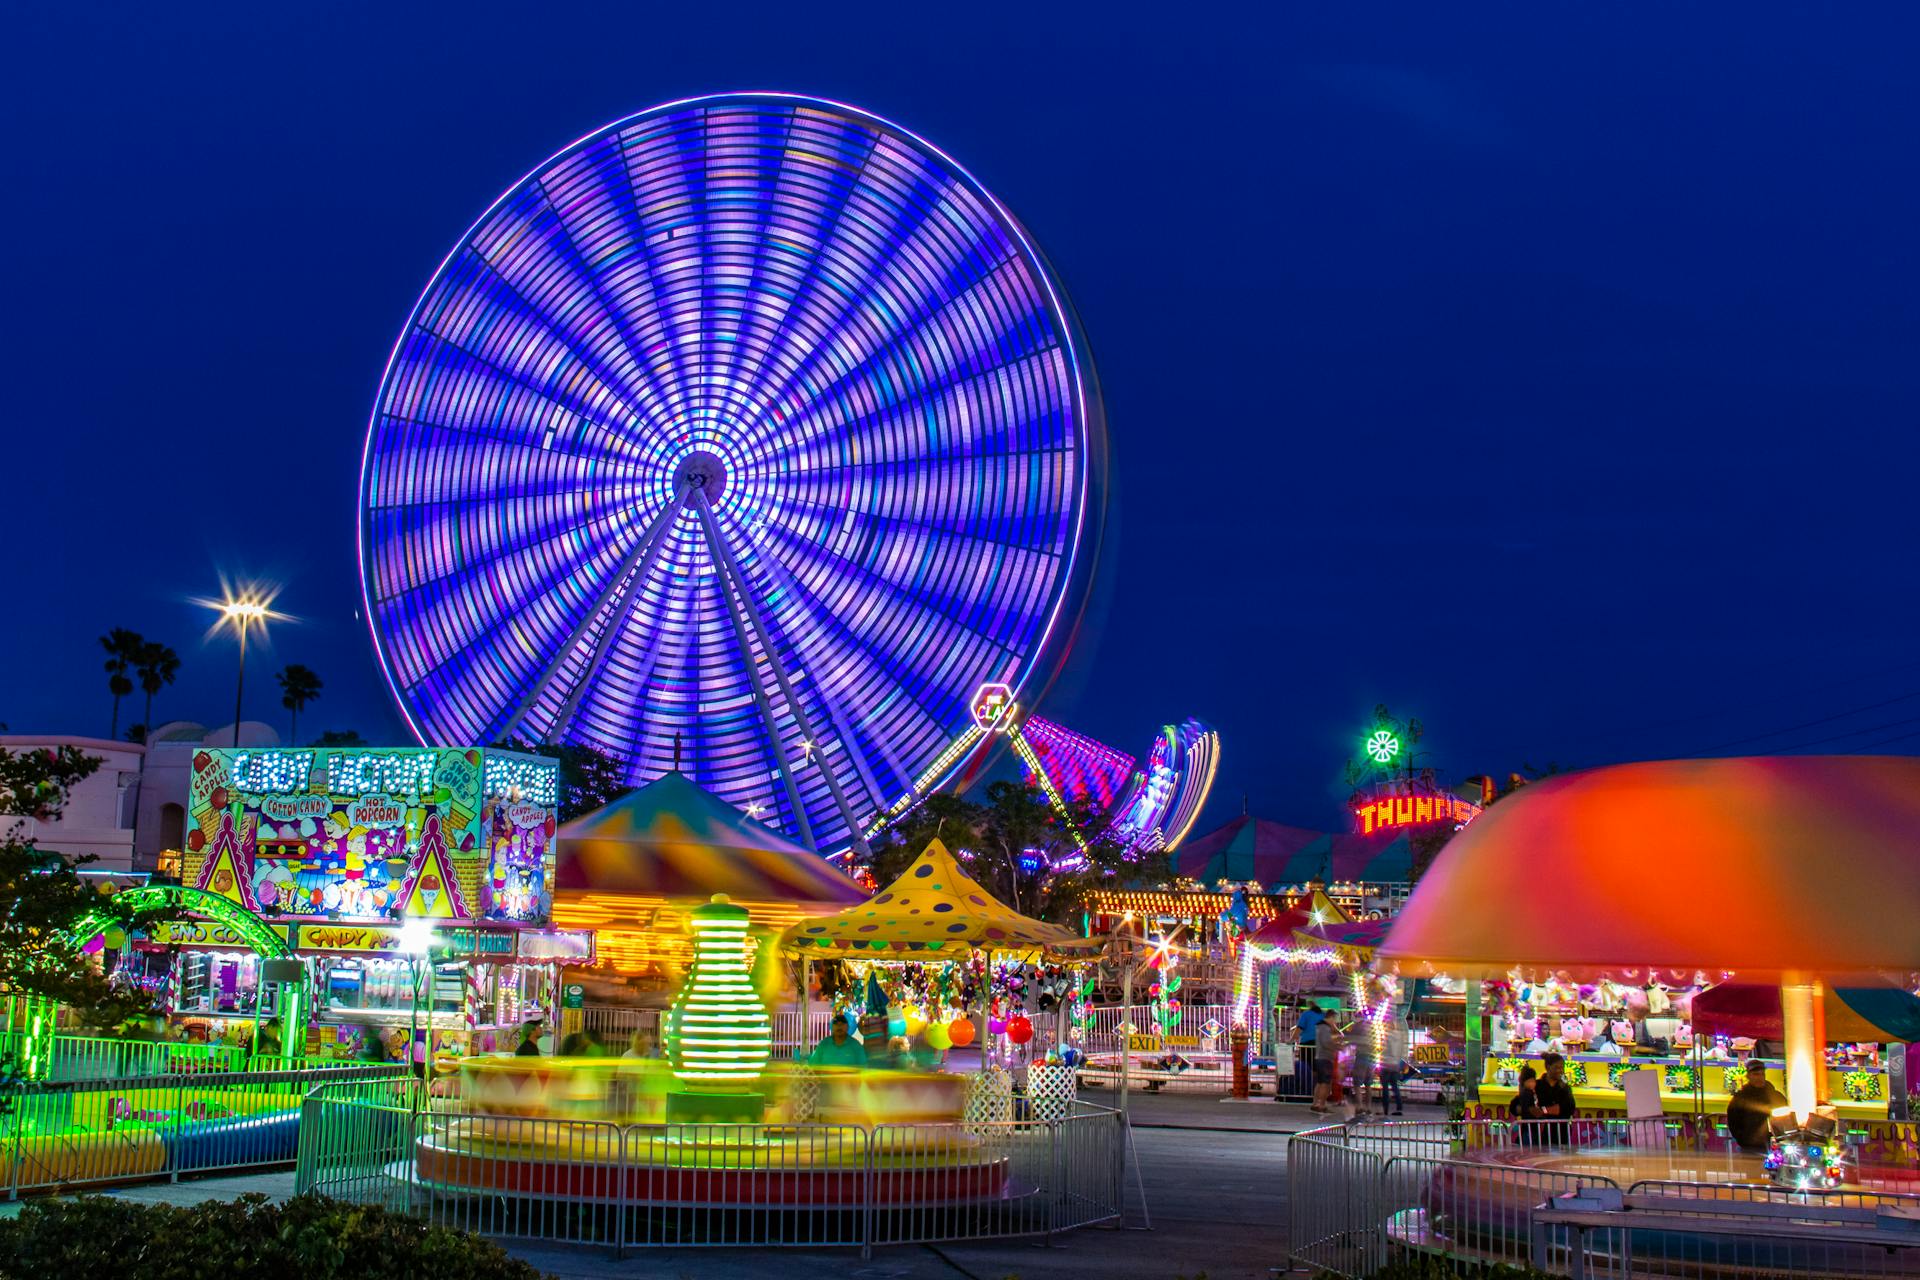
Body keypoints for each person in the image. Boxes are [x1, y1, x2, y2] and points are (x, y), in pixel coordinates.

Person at [1726, 1061, 1789, 1153]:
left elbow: (1787, 1120)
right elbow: (1733, 1122)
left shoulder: (1776, 1097)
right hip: (1748, 1147)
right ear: (1748, 1076)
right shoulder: (1740, 1099)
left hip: (1774, 1146)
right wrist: (1743, 1140)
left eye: (1762, 1074)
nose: (1759, 1078)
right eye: (1755, 1074)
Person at [1534, 1052, 1577, 1144]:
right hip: (1541, 1133)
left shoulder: (1565, 1088)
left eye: (1562, 1067)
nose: (1560, 1071)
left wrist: (1544, 1110)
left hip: (1562, 1133)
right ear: (1548, 1067)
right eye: (1557, 1067)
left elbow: (1569, 1109)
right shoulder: (1537, 1085)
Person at [1379, 1011, 1409, 1116]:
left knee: (1385, 1088)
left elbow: (1383, 1049)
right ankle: (1399, 1107)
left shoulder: (1385, 1036)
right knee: (1395, 1086)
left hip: (1385, 1063)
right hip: (1395, 1064)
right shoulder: (1400, 1035)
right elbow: (1402, 1050)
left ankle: (1385, 1109)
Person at [1311, 1012, 1338, 1114]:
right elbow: (1326, 1043)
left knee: (1320, 1082)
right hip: (1325, 1057)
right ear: (1331, 1017)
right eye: (1334, 1019)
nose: (1335, 1022)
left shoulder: (1319, 1027)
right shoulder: (1325, 1028)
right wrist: (1337, 1047)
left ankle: (1315, 1103)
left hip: (1319, 1057)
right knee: (1325, 1083)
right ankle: (1321, 1104)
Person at [1509, 1065, 1543, 1143]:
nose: (1532, 1084)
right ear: (1524, 1082)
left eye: (1533, 1081)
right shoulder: (1526, 1094)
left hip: (1530, 1126)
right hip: (1529, 1126)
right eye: (1529, 1081)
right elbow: (1526, 1109)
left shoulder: (1531, 1093)